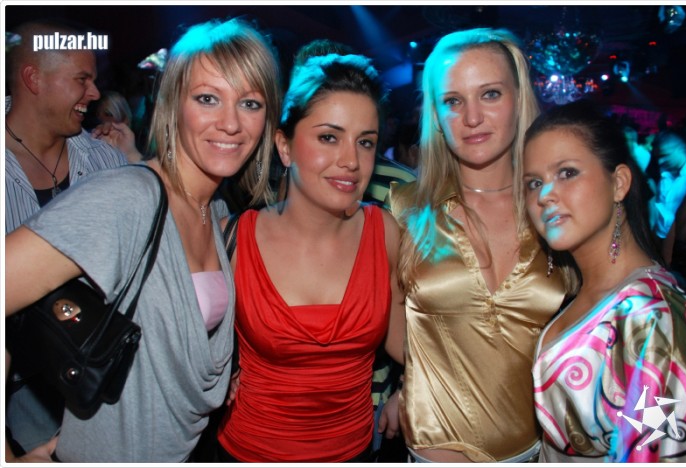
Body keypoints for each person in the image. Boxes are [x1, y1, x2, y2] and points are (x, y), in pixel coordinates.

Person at [4, 17, 281, 462]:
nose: (231, 123)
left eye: (250, 103)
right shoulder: (127, 198)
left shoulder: (214, 210)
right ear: (173, 103)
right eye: (208, 98)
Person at [388, 28, 567, 462]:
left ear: (519, 98)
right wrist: (424, 376)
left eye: (490, 94)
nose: (472, 118)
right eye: (453, 101)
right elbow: (390, 323)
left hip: (539, 448)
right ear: (436, 115)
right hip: (435, 450)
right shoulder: (403, 209)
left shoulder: (558, 211)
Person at [215, 52, 405, 463]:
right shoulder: (235, 237)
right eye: (329, 138)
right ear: (284, 146)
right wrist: (214, 377)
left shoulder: (385, 232)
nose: (351, 161)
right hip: (248, 451)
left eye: (365, 142)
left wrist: (414, 390)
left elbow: (411, 344)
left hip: (354, 453)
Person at [523, 99, 686, 463]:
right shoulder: (577, 290)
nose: (544, 195)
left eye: (567, 172)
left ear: (619, 183)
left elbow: (662, 454)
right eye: (533, 183)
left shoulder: (651, 318)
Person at [4, 19, 128, 456]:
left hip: (100, 374)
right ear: (33, 79)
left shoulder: (106, 162)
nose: (94, 93)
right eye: (82, 79)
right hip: (18, 390)